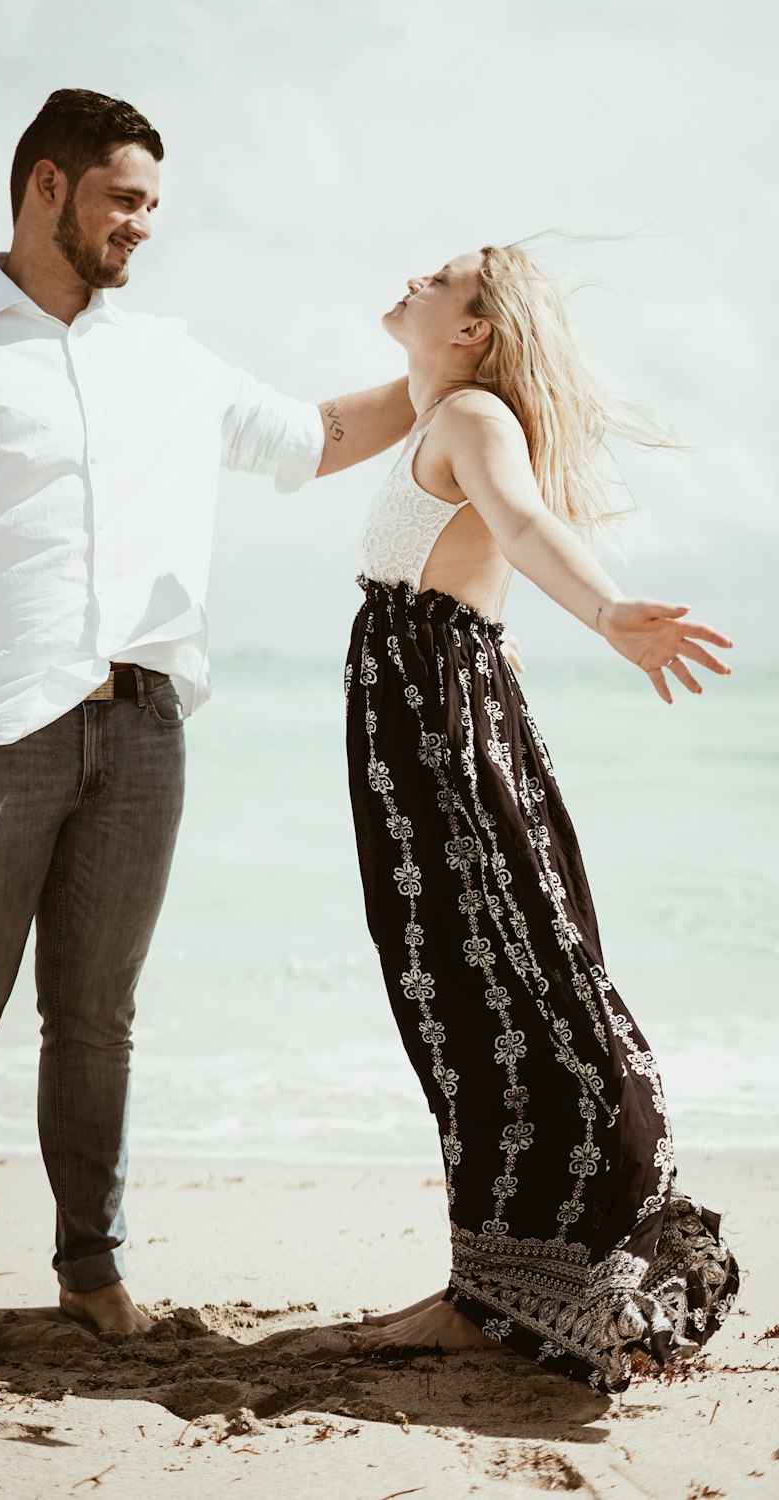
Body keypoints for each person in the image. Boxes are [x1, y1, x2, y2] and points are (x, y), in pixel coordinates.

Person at [0, 88, 414, 1356]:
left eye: (151, 205)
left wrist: (456, 366)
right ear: (47, 187)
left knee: (98, 1021)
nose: (142, 227)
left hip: (141, 732)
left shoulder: (172, 358)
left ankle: (92, 1272)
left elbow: (314, 436)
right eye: (125, 200)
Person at [344, 244, 740, 1392]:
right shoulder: (433, 407)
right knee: (459, 1005)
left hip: (440, 727)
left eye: (439, 278)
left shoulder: (470, 414)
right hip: (425, 722)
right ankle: (483, 1283)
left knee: (502, 994)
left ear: (471, 331)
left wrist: (608, 607)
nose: (411, 277)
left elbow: (518, 525)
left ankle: (523, 1282)